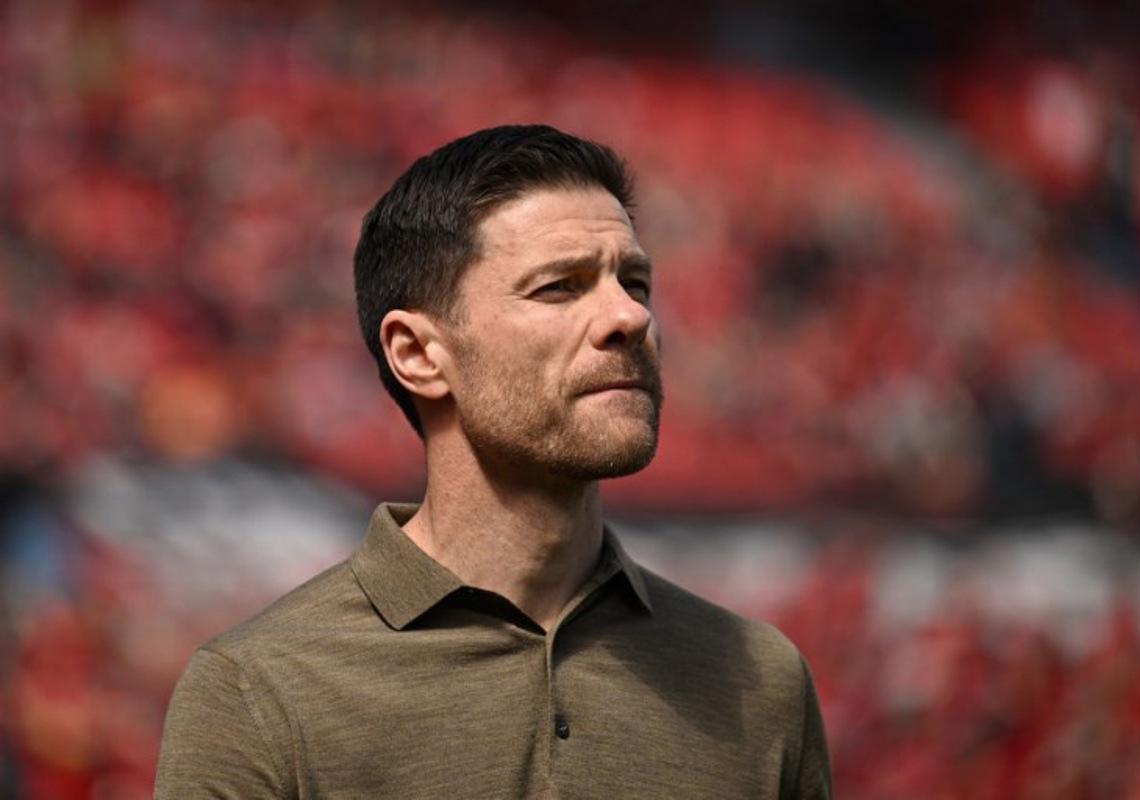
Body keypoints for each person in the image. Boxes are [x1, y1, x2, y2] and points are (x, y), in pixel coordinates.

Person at [155, 125, 832, 799]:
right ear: (419, 355)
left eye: (635, 282)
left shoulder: (763, 682)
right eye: (559, 287)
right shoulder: (258, 689)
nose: (629, 317)